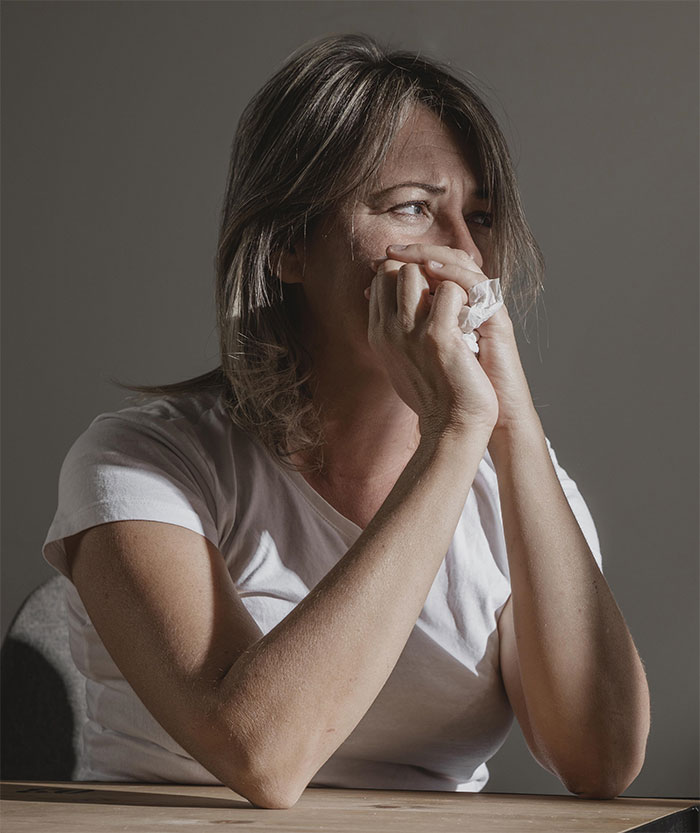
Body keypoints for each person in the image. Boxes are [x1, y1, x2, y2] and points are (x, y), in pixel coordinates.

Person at [43, 33, 650, 808]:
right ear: (290, 245)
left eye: (483, 217)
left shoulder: (514, 479)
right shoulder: (142, 463)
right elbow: (262, 754)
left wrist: (514, 428)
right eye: (413, 209)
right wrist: (451, 437)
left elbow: (599, 760)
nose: (466, 255)